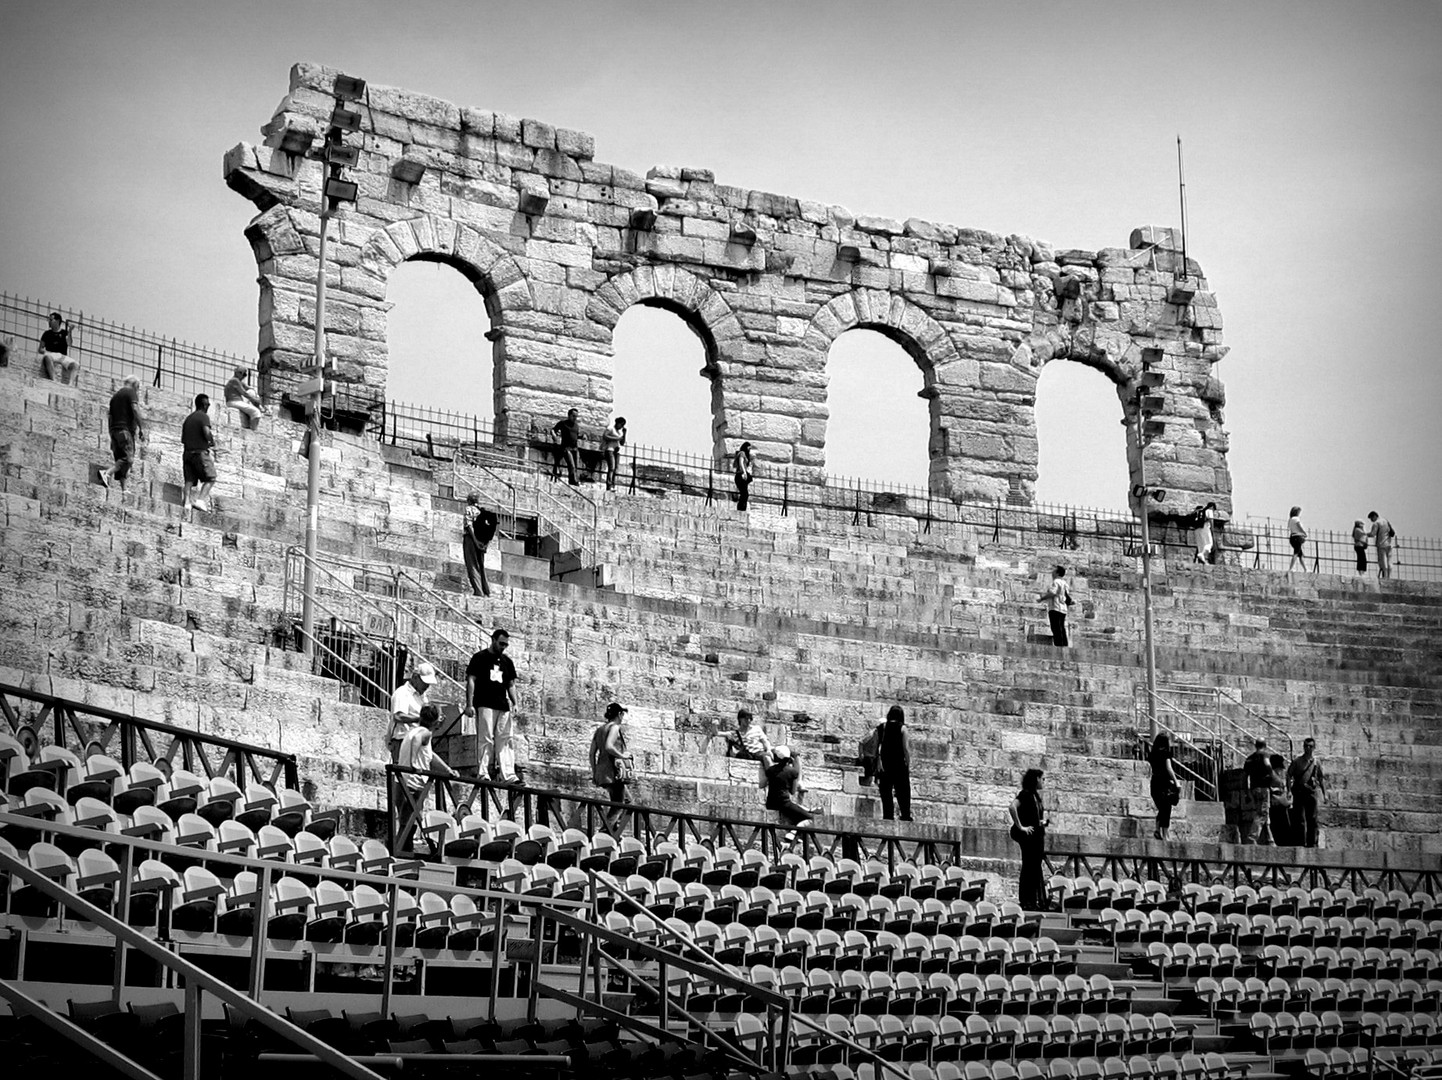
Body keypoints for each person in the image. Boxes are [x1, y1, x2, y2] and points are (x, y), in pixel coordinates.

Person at [464, 628, 519, 784]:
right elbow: (471, 680)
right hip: (484, 703)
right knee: (485, 738)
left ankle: (508, 774)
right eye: (501, 643)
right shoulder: (479, 658)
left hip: (502, 705)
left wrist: (515, 703)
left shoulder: (507, 662)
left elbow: (510, 684)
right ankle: (483, 772)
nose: (503, 647)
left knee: (505, 738)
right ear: (493, 640)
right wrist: (469, 704)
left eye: (506, 645)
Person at [590, 702, 635, 829]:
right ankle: (605, 833)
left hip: (603, 772)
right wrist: (622, 756)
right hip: (614, 773)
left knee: (624, 801)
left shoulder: (599, 730)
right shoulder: (614, 728)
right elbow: (609, 746)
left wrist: (595, 773)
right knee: (621, 804)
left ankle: (614, 831)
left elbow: (592, 753)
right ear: (619, 714)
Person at [1008, 768, 1048, 911]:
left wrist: (1042, 822)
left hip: (1037, 837)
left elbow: (1035, 816)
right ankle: (1026, 900)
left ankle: (1035, 900)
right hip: (1029, 838)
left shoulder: (1035, 796)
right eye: (1042, 779)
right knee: (1029, 868)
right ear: (1036, 779)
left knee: (1035, 868)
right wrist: (1021, 826)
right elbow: (1012, 807)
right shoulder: (1025, 794)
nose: (1044, 782)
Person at [99, 376, 146, 492]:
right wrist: (142, 428)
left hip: (114, 430)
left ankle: (124, 488)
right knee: (128, 459)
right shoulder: (131, 392)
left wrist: (111, 433)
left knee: (120, 458)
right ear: (135, 385)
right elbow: (135, 409)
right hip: (125, 430)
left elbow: (110, 416)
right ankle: (107, 473)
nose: (138, 391)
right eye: (138, 388)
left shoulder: (115, 396)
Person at [387, 661, 439, 760]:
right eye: (425, 682)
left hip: (418, 740)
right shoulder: (402, 693)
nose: (427, 686)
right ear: (415, 677)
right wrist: (421, 719)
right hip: (402, 740)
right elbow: (398, 716)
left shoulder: (423, 697)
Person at [764, 745, 813, 842]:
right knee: (809, 818)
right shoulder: (793, 772)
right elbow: (793, 791)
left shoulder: (770, 770)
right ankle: (793, 833)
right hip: (784, 803)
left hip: (771, 802)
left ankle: (795, 834)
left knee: (795, 812)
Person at [1287, 737, 1327, 848]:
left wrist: (1325, 794)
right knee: (1299, 819)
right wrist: (1289, 790)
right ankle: (1300, 842)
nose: (1308, 748)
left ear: (1314, 748)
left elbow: (1321, 778)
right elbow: (1289, 774)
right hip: (1299, 792)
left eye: (1310, 746)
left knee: (1312, 819)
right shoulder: (1297, 761)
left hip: (1311, 792)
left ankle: (1311, 843)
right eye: (1306, 746)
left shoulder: (1316, 762)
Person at [875, 705, 913, 822]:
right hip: (899, 764)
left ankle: (888, 817)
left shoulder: (882, 727)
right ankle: (905, 815)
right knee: (903, 791)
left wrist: (877, 762)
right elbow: (905, 748)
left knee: (886, 792)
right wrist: (908, 762)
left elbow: (876, 747)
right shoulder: (903, 728)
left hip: (885, 764)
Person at [180, 394, 217, 512]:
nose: (209, 406)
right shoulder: (203, 417)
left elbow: (183, 439)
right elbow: (206, 431)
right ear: (204, 404)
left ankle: (186, 502)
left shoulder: (188, 419)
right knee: (211, 478)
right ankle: (200, 501)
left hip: (187, 453)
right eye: (208, 404)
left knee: (189, 481)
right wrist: (211, 441)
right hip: (200, 453)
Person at [462, 493, 498, 598]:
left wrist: (475, 541)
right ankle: (486, 590)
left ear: (469, 501)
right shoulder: (483, 512)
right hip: (483, 541)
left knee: (472, 565)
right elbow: (491, 529)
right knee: (481, 566)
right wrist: (485, 544)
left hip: (471, 539)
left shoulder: (469, 509)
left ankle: (478, 590)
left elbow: (469, 526)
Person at [1242, 738, 1275, 844]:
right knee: (1262, 814)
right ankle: (1252, 837)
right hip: (1263, 789)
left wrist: (1246, 792)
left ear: (1255, 745)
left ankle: (1270, 840)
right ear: (1265, 745)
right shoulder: (1264, 755)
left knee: (1265, 814)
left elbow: (1244, 777)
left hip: (1254, 789)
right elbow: (1267, 765)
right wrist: (1273, 777)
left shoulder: (1249, 759)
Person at [1147, 732, 1179, 841]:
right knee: (1166, 808)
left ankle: (1157, 829)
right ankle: (1165, 834)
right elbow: (1169, 768)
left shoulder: (1152, 754)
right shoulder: (1166, 754)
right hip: (1164, 783)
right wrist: (1176, 782)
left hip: (1154, 782)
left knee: (1161, 807)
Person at [37, 312, 79, 385]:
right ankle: (53, 380)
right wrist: (48, 353)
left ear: (57, 321)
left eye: (51, 320)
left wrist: (70, 331)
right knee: (47, 357)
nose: (49, 322)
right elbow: (40, 349)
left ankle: (70, 384)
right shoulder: (47, 334)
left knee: (75, 365)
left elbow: (69, 343)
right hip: (52, 354)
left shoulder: (64, 333)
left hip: (63, 356)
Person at [1038, 565, 1072, 647]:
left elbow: (1053, 593)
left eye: (1053, 571)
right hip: (1063, 608)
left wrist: (1042, 598)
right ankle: (1064, 645)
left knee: (1056, 628)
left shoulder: (1056, 582)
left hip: (1055, 607)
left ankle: (1059, 646)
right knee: (1062, 628)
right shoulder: (1065, 584)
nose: (1052, 573)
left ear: (1057, 573)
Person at [224, 366, 267, 430]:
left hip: (234, 402)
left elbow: (248, 388)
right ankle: (253, 430)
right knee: (256, 412)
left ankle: (259, 407)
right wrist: (254, 400)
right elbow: (244, 393)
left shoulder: (237, 381)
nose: (244, 377)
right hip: (234, 401)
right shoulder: (235, 381)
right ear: (239, 373)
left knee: (251, 391)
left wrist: (255, 394)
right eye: (244, 374)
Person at [1267, 753, 1292, 846]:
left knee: (1283, 827)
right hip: (1276, 804)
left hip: (1279, 804)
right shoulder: (1272, 775)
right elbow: (1275, 791)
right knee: (1279, 827)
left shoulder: (1274, 775)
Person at [553, 408, 581, 486]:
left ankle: (572, 480)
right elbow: (553, 430)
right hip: (566, 448)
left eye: (576, 416)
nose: (575, 418)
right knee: (571, 465)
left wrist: (582, 436)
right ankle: (573, 481)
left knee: (576, 466)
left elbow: (576, 435)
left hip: (575, 448)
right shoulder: (563, 423)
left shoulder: (576, 426)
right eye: (573, 416)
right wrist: (555, 436)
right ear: (569, 415)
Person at [601, 416, 627, 491]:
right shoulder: (610, 429)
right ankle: (609, 485)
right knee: (611, 467)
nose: (621, 427)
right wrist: (616, 439)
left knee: (615, 469)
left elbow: (622, 443)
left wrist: (624, 434)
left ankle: (612, 484)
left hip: (616, 451)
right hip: (609, 450)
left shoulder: (619, 432)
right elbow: (605, 436)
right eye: (621, 424)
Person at [1367, 511, 1394, 580]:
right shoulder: (1385, 521)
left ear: (1374, 516)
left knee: (1383, 562)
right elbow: (1391, 532)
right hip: (1389, 544)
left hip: (1381, 545)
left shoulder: (1376, 523)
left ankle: (1385, 577)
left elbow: (1373, 534)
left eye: (1371, 518)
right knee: (1390, 561)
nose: (1371, 520)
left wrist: (1365, 534)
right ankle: (1390, 576)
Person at [734, 442, 754, 511]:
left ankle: (742, 508)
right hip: (740, 474)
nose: (749, 449)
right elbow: (741, 463)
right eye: (749, 447)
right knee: (744, 494)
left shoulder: (746, 454)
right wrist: (744, 472)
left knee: (745, 494)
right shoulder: (742, 453)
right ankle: (741, 508)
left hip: (743, 475)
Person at [1286, 507, 1308, 572]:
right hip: (1297, 537)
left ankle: (1305, 569)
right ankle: (1291, 568)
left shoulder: (1290, 519)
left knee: (1300, 554)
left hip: (1292, 537)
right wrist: (1304, 533)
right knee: (1296, 553)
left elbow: (1290, 528)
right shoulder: (1296, 519)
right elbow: (1299, 526)